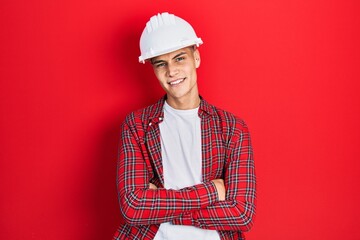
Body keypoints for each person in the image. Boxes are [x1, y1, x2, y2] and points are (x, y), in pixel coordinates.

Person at [114, 12, 256, 240]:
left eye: (180, 58)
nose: (171, 71)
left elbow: (241, 214)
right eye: (161, 63)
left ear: (196, 58)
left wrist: (160, 206)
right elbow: (133, 207)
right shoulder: (137, 125)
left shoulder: (232, 128)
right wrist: (213, 191)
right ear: (154, 69)